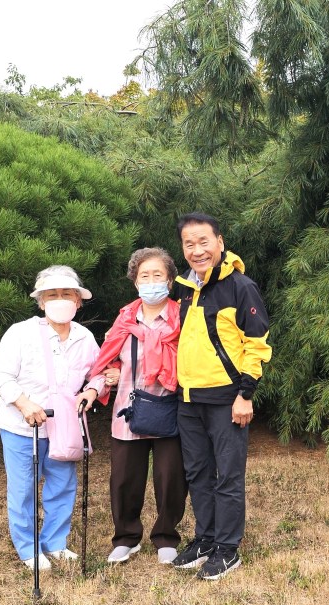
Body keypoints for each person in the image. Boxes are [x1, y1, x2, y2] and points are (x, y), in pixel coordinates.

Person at [169, 213, 271, 580]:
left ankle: (227, 549)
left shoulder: (241, 287)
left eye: (204, 242)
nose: (197, 250)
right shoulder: (184, 289)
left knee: (227, 476)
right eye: (189, 244)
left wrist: (245, 394)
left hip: (227, 400)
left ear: (220, 242)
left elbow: (256, 344)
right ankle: (206, 539)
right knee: (198, 474)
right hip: (188, 399)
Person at [78, 248, 187, 566]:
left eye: (158, 275)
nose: (151, 281)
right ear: (135, 282)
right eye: (144, 276)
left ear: (170, 280)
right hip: (129, 409)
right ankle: (126, 538)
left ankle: (166, 536)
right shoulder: (124, 320)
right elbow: (106, 361)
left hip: (170, 409)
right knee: (124, 478)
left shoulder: (184, 318)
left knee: (171, 478)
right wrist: (105, 378)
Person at [0, 265, 100, 571]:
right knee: (23, 489)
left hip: (64, 427)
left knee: (62, 486)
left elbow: (99, 373)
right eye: (52, 295)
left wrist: (92, 390)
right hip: (22, 427)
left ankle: (55, 542)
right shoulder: (20, 333)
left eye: (67, 294)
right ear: (41, 302)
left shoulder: (84, 337)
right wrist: (24, 403)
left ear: (78, 301)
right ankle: (28, 548)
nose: (60, 299)